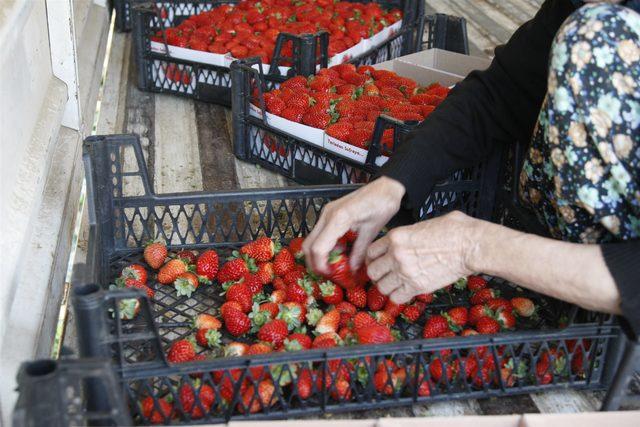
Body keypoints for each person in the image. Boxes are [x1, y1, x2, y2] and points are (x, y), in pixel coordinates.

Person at [303, 0, 640, 334]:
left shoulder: (601, 28)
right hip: (556, 260)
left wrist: (474, 246)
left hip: (616, 303)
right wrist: (393, 183)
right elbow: (501, 94)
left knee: (596, 34)